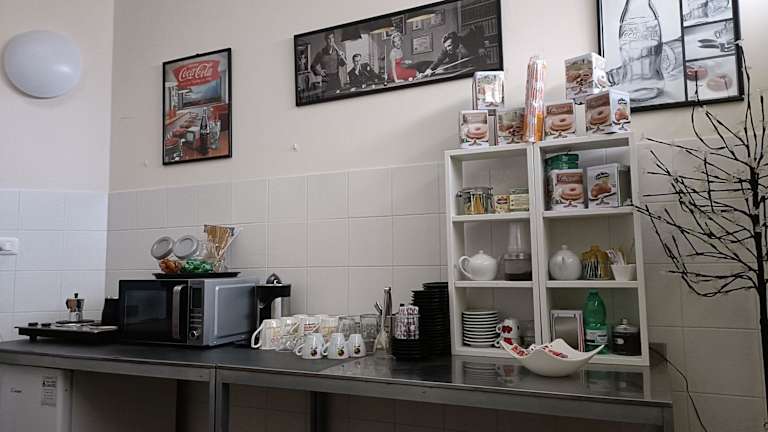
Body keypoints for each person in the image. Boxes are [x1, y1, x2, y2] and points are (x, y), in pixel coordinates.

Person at [419, 27, 487, 78]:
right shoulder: (446, 50)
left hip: (478, 56)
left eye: (449, 46)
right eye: (446, 47)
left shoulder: (466, 36)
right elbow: (438, 60)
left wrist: (481, 47)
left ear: (456, 42)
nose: (447, 48)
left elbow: (478, 28)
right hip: (466, 62)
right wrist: (429, 70)